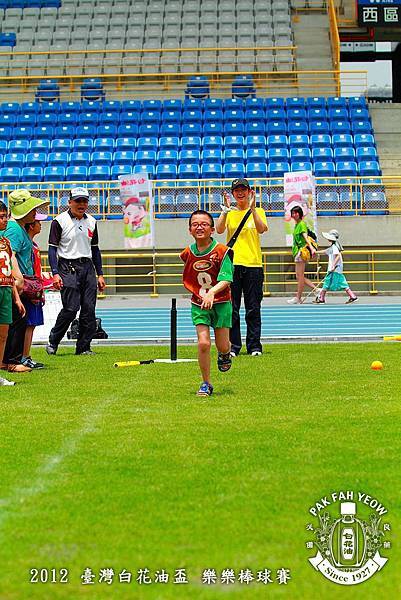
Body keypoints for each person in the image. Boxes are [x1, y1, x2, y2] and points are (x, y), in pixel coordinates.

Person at [46, 187, 106, 356]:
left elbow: (95, 249)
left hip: (87, 267)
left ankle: (84, 347)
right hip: (67, 267)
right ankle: (54, 340)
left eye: (84, 201)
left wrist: (100, 274)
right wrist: (55, 273)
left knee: (89, 309)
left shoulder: (92, 222)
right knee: (71, 308)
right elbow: (52, 249)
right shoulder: (59, 221)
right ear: (69, 202)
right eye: (78, 201)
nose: (81, 204)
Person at [180, 209, 233, 397]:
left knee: (223, 345)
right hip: (199, 303)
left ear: (212, 229)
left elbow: (227, 279)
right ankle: (206, 383)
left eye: (204, 224)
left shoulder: (222, 252)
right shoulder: (187, 253)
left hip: (221, 302)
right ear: (189, 230)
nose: (199, 227)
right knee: (203, 343)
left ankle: (225, 353)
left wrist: (212, 292)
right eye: (195, 224)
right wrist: (202, 294)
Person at [216, 178, 268, 357]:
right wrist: (224, 210)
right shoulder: (229, 213)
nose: (240, 193)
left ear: (249, 192)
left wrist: (253, 209)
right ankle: (234, 347)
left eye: (243, 189)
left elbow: (261, 229)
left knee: (253, 307)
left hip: (253, 265)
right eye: (236, 190)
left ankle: (254, 346)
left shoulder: (259, 211)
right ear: (232, 193)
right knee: (233, 308)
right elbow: (219, 230)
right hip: (233, 265)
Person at [2, 188, 50, 372]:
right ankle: (12, 361)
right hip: (16, 284)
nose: (34, 213)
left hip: (19, 284)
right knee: (16, 321)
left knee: (18, 321)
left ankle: (12, 360)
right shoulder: (14, 229)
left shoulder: (18, 228)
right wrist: (19, 278)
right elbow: (10, 253)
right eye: (31, 210)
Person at [0, 202, 26, 385]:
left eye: (4, 216)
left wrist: (17, 298)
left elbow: (9, 272)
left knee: (3, 336)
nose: (3, 220)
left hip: (6, 292)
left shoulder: (6, 242)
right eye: (0, 216)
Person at [21, 211, 49, 369]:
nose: (41, 225)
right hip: (30, 288)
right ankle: (24, 356)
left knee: (32, 324)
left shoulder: (34, 245)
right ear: (31, 226)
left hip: (35, 287)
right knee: (29, 324)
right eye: (38, 222)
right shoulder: (29, 247)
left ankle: (25, 355)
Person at [314, 229, 358, 304]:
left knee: (327, 283)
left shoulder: (334, 247)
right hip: (337, 269)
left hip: (334, 269)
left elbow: (337, 256)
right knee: (343, 283)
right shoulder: (333, 247)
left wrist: (333, 266)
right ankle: (352, 296)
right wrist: (315, 252)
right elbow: (325, 251)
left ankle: (321, 298)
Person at [287, 205, 317, 305]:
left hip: (301, 252)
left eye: (296, 213)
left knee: (299, 276)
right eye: (293, 213)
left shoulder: (301, 224)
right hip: (297, 252)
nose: (294, 214)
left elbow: (305, 237)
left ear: (300, 214)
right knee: (299, 276)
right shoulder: (297, 225)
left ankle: (298, 298)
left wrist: (311, 248)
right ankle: (316, 290)